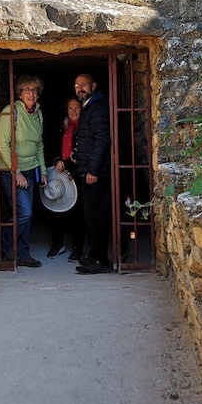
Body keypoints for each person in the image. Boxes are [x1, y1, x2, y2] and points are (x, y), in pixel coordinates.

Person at [0, 74, 47, 268]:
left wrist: (42, 170)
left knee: (27, 214)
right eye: (27, 90)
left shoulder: (38, 114)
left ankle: (23, 254)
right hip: (13, 171)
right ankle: (0, 244)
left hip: (31, 170)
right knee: (24, 213)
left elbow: (39, 144)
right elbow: (3, 145)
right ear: (19, 93)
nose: (31, 93)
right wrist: (15, 171)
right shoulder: (10, 112)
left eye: (34, 90)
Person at [73, 73, 113, 274]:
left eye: (84, 84)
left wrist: (92, 170)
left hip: (95, 173)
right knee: (91, 214)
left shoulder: (97, 108)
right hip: (89, 170)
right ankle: (94, 256)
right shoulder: (89, 106)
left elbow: (102, 140)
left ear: (94, 85)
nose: (80, 88)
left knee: (97, 215)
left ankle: (100, 259)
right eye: (77, 85)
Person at [46, 97, 84, 260]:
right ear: (66, 111)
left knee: (78, 212)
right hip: (60, 173)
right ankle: (57, 243)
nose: (74, 111)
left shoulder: (85, 127)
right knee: (56, 208)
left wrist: (67, 163)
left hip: (77, 173)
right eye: (70, 108)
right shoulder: (62, 128)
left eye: (77, 108)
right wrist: (57, 161)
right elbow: (52, 147)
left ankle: (78, 247)